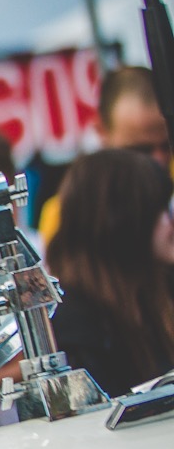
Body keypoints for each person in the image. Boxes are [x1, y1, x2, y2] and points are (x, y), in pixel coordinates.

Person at [45, 146, 174, 393]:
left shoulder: (158, 291)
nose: (171, 222)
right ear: (128, 219)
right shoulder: (75, 325)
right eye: (162, 210)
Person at [40, 65, 170, 243]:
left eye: (168, 146)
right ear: (101, 131)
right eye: (140, 151)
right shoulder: (67, 215)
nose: (159, 160)